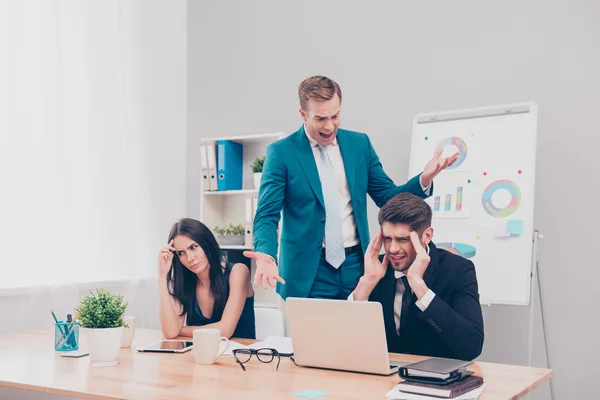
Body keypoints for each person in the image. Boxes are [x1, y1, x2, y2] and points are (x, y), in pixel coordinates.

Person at [245, 75, 458, 300]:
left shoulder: (359, 145)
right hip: (308, 270)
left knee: (359, 333)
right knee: (314, 335)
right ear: (303, 114)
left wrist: (424, 179)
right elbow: (266, 215)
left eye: (335, 116)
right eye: (320, 118)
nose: (329, 126)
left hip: (357, 265)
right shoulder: (282, 153)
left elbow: (388, 197)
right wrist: (266, 255)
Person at [352, 193, 484, 360]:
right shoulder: (374, 268)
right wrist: (366, 284)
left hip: (437, 377)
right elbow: (344, 342)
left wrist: (419, 286)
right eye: (387, 239)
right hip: (384, 378)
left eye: (403, 239)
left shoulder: (458, 270)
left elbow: (471, 346)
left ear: (427, 235)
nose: (392, 249)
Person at [158, 218, 256, 339]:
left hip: (241, 355)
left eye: (193, 247)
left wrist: (181, 329)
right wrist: (163, 276)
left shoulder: (238, 272)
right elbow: (170, 333)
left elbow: (225, 330)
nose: (190, 258)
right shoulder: (186, 283)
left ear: (207, 244)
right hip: (203, 355)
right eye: (181, 253)